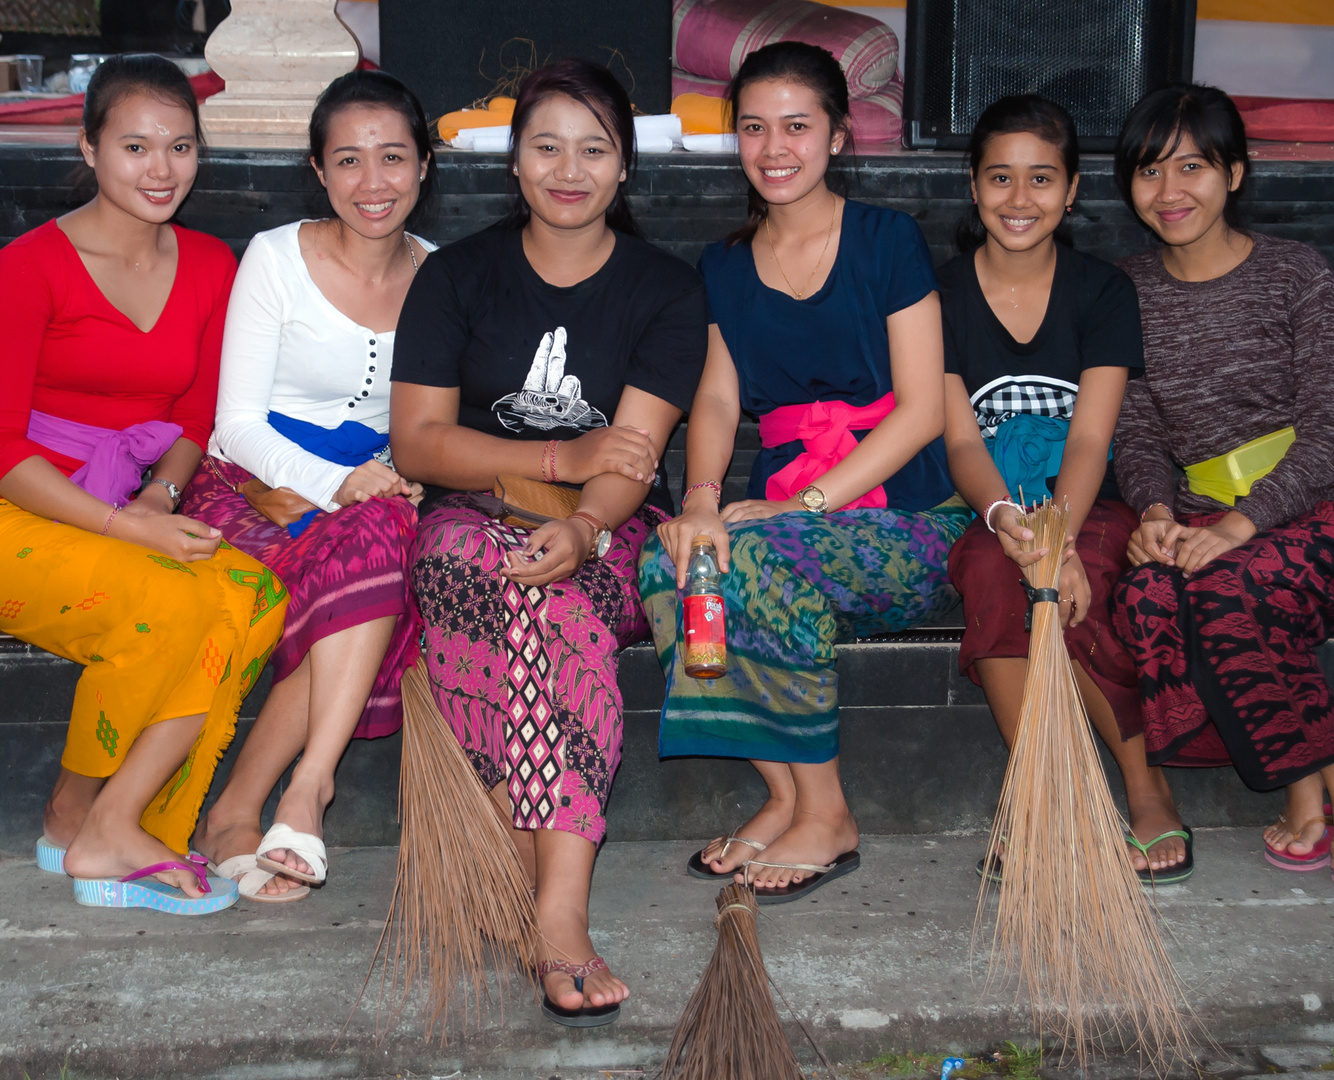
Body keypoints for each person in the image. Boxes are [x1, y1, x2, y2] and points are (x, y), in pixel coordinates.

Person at [0, 55, 287, 915]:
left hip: (132, 507)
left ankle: (123, 820)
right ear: (88, 148)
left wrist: (158, 500)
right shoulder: (29, 266)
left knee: (251, 592)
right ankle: (87, 817)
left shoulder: (208, 265)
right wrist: (125, 528)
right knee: (166, 603)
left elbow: (195, 422)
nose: (161, 170)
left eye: (181, 148)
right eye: (134, 146)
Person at [390, 60, 707, 1024]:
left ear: (625, 171)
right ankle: (552, 902)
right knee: (491, 581)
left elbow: (637, 457)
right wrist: (564, 454)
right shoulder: (456, 276)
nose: (569, 168)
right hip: (465, 524)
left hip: (606, 535)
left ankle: (550, 910)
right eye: (546, 146)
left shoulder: (664, 290)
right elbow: (417, 443)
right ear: (514, 164)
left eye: (594, 148)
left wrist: (581, 524)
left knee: (553, 604)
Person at [641, 41, 971, 904]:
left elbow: (924, 410)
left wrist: (813, 504)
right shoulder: (722, 265)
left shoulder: (886, 240)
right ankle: (784, 794)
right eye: (754, 127)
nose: (774, 147)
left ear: (837, 134)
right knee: (669, 561)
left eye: (796, 125)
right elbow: (715, 402)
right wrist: (703, 502)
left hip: (909, 514)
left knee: (762, 559)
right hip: (789, 509)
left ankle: (829, 813)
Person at [1110, 84, 1334, 889]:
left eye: (1192, 168)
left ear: (1234, 173)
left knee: (1230, 591)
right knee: (1145, 595)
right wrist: (1156, 510)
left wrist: (1246, 522)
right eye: (1148, 172)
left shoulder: (1293, 272)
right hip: (1203, 513)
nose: (1168, 193)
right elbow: (1134, 432)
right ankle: (1301, 781)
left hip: (1333, 503)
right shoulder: (1123, 290)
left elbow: (1329, 432)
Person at [181, 70, 436, 902]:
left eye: (393, 158)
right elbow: (239, 423)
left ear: (425, 167)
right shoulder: (275, 257)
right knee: (372, 552)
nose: (374, 183)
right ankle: (282, 799)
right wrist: (341, 484)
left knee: (375, 548)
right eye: (349, 161)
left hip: (370, 497)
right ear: (320, 172)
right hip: (254, 486)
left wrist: (394, 482)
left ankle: (293, 790)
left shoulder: (443, 277)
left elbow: (433, 420)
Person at [938, 95, 1190, 883]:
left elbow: (1089, 436)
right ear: (974, 189)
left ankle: (1145, 787)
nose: (1020, 199)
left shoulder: (1102, 291)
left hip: (1088, 502)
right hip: (994, 506)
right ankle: (1043, 791)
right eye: (1001, 178)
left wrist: (1062, 539)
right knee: (988, 570)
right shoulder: (938, 293)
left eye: (1041, 179)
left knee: (1087, 584)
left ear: (1073, 188)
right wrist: (1009, 518)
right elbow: (958, 438)